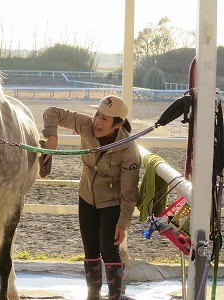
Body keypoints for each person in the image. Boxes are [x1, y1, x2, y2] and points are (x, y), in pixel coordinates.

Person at [41, 95, 141, 300]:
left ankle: (115, 296)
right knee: (90, 248)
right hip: (86, 196)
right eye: (97, 114)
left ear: (118, 124)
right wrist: (52, 137)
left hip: (111, 202)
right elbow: (52, 112)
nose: (97, 121)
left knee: (109, 248)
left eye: (105, 119)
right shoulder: (85, 124)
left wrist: (123, 223)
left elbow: (130, 193)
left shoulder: (129, 150)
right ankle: (93, 295)